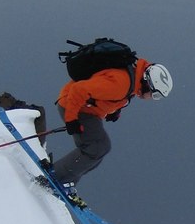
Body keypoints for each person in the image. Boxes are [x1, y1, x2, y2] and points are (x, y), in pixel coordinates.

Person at [46, 59, 172, 193]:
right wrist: (71, 119)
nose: (152, 98)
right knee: (97, 147)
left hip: (85, 109)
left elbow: (112, 95)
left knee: (99, 150)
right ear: (149, 83)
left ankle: (66, 180)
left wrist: (114, 111)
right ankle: (56, 178)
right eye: (155, 94)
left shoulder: (132, 81)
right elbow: (79, 90)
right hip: (74, 105)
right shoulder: (121, 83)